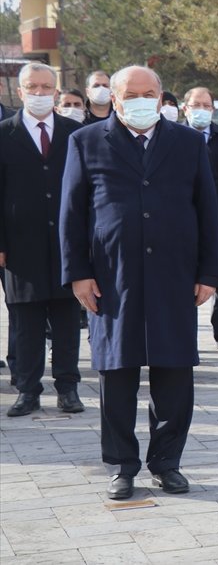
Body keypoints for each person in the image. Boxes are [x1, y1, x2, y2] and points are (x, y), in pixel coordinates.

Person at [60, 64, 218, 499]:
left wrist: (210, 273)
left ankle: (167, 462)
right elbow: (73, 214)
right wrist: (78, 274)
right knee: (117, 376)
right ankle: (121, 465)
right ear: (113, 99)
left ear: (161, 97)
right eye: (131, 93)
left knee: (174, 376)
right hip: (113, 281)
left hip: (175, 277)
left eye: (149, 93)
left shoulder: (187, 142)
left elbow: (208, 210)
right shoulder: (86, 142)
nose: (141, 100)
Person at [1, 62, 84, 417]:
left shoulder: (74, 133)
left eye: (46, 87)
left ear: (56, 90)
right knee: (27, 322)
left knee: (67, 320)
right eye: (32, 87)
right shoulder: (4, 133)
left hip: (66, 243)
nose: (39, 93)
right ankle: (28, 390)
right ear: (20, 92)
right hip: (21, 246)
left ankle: (68, 388)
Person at [182, 87, 218, 352]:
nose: (201, 110)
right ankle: (186, 337)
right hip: (183, 223)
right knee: (183, 282)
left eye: (206, 105)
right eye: (196, 105)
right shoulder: (174, 135)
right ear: (185, 108)